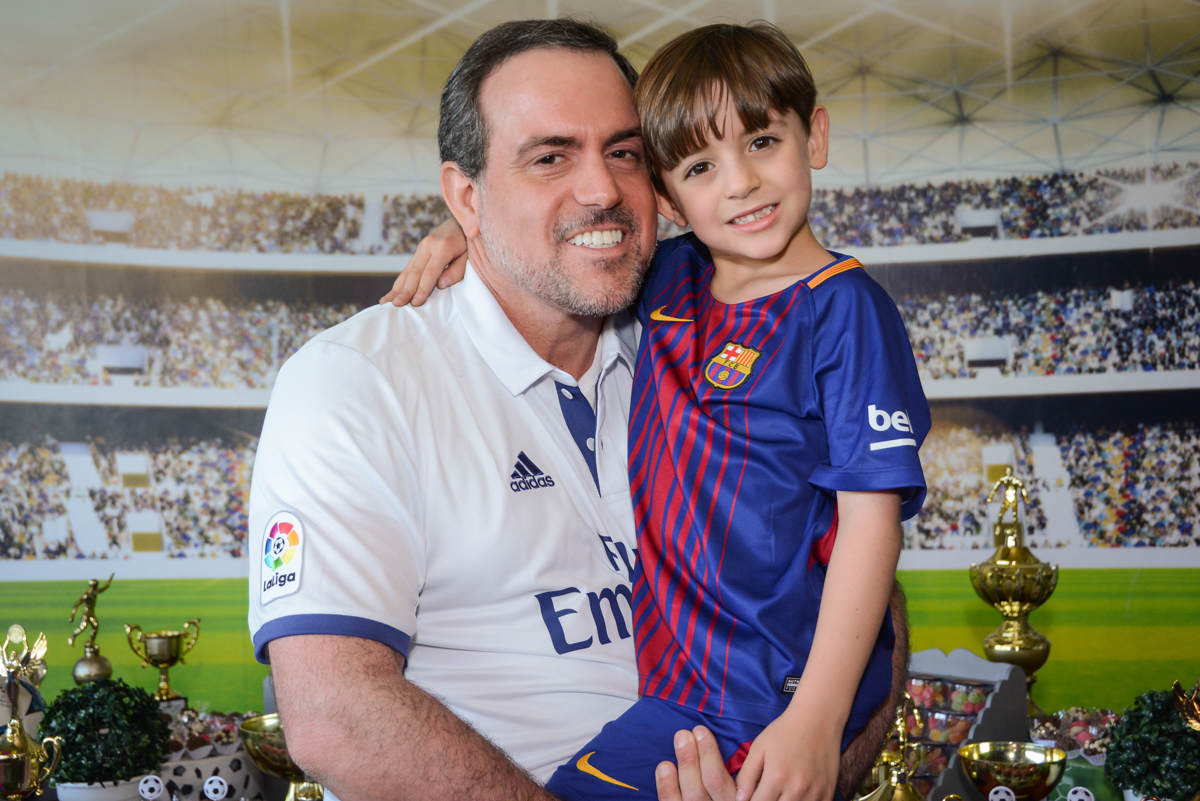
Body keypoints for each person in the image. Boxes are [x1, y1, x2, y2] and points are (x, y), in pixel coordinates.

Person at [385, 22, 930, 801]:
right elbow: (565, 246)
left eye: (763, 142)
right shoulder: (671, 277)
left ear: (815, 135)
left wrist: (816, 714)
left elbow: (873, 519)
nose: (739, 182)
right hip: (678, 689)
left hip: (768, 690)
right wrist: (469, 226)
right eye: (702, 165)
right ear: (669, 198)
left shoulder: (845, 311)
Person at [248, 20, 658, 801]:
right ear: (465, 196)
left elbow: (854, 589)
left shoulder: (697, 347)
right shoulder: (353, 382)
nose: (602, 188)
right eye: (550, 157)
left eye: (625, 152)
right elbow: (336, 716)